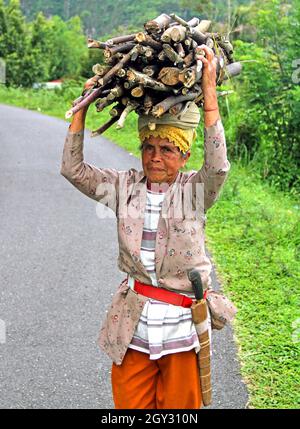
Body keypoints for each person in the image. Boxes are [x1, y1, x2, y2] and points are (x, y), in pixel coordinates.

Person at [60, 45, 231, 409]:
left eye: (167, 149)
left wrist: (210, 96)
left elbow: (217, 167)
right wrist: (80, 112)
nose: (155, 156)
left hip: (182, 329)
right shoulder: (123, 187)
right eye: (148, 147)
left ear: (184, 156)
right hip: (133, 327)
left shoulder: (194, 191)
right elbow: (74, 171)